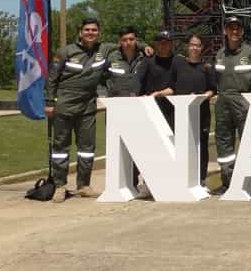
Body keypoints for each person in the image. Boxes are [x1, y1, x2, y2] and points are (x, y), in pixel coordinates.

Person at [45, 18, 116, 202]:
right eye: (87, 29)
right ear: (80, 32)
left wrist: (142, 45)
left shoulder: (104, 49)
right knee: (60, 146)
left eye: (94, 30)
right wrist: (50, 102)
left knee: (87, 148)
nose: (90, 32)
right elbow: (52, 77)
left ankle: (84, 185)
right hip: (65, 103)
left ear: (98, 33)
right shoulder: (65, 51)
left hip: (88, 106)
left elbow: (125, 44)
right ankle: (60, 186)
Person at [212, 15, 251, 195]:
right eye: (231, 28)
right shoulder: (220, 54)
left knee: (248, 142)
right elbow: (215, 79)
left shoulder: (250, 53)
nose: (234, 31)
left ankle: (249, 183)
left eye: (237, 28)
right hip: (223, 101)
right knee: (224, 143)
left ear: (241, 31)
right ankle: (227, 183)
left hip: (243, 102)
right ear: (226, 31)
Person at [171, 34, 217, 188]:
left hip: (201, 112)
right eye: (192, 44)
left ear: (201, 48)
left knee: (202, 146)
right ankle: (182, 178)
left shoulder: (207, 67)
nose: (194, 48)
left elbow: (213, 89)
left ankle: (201, 180)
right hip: (181, 113)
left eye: (197, 45)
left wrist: (203, 96)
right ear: (187, 46)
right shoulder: (178, 64)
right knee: (181, 145)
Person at [106, 26, 149, 188]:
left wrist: (145, 46)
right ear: (120, 42)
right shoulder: (111, 57)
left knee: (141, 145)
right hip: (117, 108)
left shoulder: (145, 56)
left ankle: (145, 182)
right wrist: (103, 94)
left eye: (131, 39)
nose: (128, 43)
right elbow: (99, 77)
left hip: (140, 108)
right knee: (120, 147)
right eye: (124, 40)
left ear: (136, 40)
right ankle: (126, 183)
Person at [137, 30, 177, 130]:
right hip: (152, 108)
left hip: (173, 109)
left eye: (167, 42)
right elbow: (138, 81)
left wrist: (161, 93)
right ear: (156, 44)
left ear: (172, 44)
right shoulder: (147, 61)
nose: (163, 45)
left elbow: (180, 84)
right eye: (160, 43)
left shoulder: (179, 61)